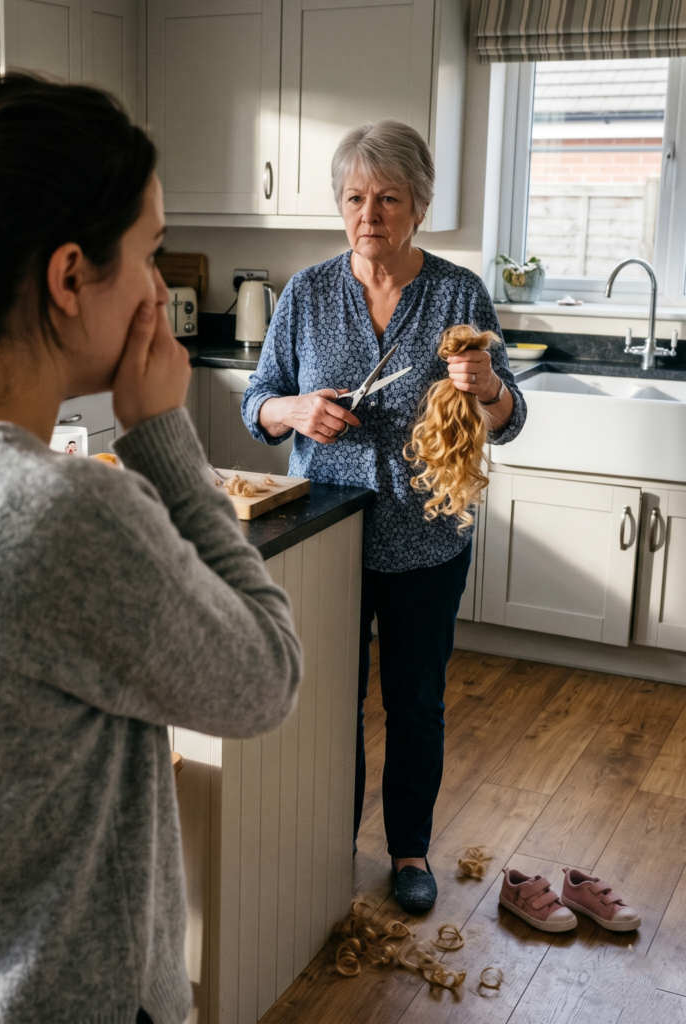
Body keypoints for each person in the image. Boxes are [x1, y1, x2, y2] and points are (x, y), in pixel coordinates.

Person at [0, 74, 302, 1024]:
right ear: (71, 277)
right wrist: (161, 436)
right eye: (151, 255)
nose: (162, 291)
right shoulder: (60, 514)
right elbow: (267, 677)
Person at [242, 120, 527, 915]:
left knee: (414, 700)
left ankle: (408, 850)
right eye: (356, 197)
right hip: (322, 540)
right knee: (327, 699)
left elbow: (510, 416)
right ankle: (326, 841)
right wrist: (294, 409)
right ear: (341, 205)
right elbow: (254, 404)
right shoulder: (305, 293)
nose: (371, 214)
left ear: (420, 204)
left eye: (389, 198)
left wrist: (489, 389)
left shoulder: (458, 294)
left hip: (427, 538)